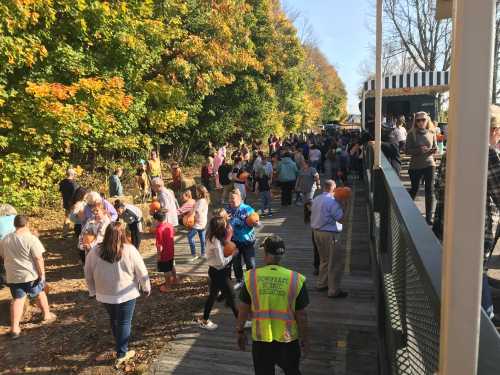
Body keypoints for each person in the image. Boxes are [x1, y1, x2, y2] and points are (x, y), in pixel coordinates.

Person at [236, 235, 310, 375]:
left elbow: (243, 309)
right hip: (288, 339)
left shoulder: (252, 277)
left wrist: (240, 331)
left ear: (264, 253)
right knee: (292, 371)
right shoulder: (295, 279)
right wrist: (305, 338)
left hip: (261, 340)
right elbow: (302, 315)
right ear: (282, 254)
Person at [84, 222, 151, 368]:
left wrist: (92, 291)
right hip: (126, 294)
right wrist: (146, 287)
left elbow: (87, 272)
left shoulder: (95, 251)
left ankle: (119, 342)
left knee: (114, 319)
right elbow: (142, 271)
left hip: (105, 294)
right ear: (124, 234)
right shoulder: (130, 250)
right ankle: (122, 352)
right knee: (124, 322)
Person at [0, 215, 57, 338]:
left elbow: (3, 256)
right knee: (39, 293)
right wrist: (42, 274)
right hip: (30, 275)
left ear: (14, 225)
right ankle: (46, 315)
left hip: (13, 275)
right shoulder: (31, 239)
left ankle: (15, 328)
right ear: (27, 224)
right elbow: (38, 258)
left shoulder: (5, 239)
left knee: (17, 299)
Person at [199, 212, 241, 330]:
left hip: (214, 270)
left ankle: (205, 320)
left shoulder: (211, 237)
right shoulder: (216, 243)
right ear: (219, 228)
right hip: (219, 272)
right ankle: (240, 321)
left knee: (212, 296)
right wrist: (233, 254)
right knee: (231, 295)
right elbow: (221, 262)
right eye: (224, 225)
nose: (226, 226)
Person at [310, 180, 349, 298]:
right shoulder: (332, 202)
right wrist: (346, 205)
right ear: (333, 189)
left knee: (324, 260)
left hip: (316, 233)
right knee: (335, 263)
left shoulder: (316, 199)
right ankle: (333, 290)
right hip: (329, 234)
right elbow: (342, 219)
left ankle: (322, 283)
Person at [406, 112, 438, 225]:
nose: (421, 122)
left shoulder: (432, 132)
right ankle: (405, 212)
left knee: (430, 190)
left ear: (427, 120)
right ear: (415, 122)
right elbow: (407, 150)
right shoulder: (411, 134)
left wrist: (434, 150)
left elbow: (435, 147)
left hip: (430, 164)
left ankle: (429, 218)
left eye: (423, 120)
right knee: (414, 189)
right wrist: (419, 150)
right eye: (418, 120)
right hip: (415, 166)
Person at [226, 189, 258, 290]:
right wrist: (225, 220)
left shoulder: (247, 209)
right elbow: (221, 221)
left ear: (240, 198)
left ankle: (251, 282)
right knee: (236, 262)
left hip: (247, 241)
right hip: (234, 241)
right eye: (229, 198)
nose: (231, 201)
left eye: (233, 198)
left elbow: (256, 221)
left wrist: (256, 223)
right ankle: (240, 280)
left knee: (250, 263)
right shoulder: (228, 210)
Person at [153, 210, 176, 293]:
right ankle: (175, 279)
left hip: (164, 253)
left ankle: (168, 286)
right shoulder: (169, 225)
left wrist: (159, 255)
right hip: (171, 250)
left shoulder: (159, 229)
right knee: (171, 265)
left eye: (153, 220)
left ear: (156, 220)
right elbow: (173, 234)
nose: (153, 222)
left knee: (166, 270)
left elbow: (159, 245)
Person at [188, 185, 210, 261]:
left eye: (197, 191)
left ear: (200, 192)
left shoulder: (201, 201)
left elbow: (197, 211)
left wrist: (190, 216)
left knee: (190, 236)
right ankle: (203, 253)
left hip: (198, 222)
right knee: (202, 237)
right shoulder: (203, 200)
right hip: (202, 221)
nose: (196, 192)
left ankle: (194, 254)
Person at [59, 168, 79, 237]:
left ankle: (64, 233)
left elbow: (61, 191)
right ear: (72, 174)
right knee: (78, 218)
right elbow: (77, 194)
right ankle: (78, 233)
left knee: (67, 218)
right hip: (73, 203)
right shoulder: (74, 184)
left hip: (66, 202)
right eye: (74, 174)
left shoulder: (62, 182)